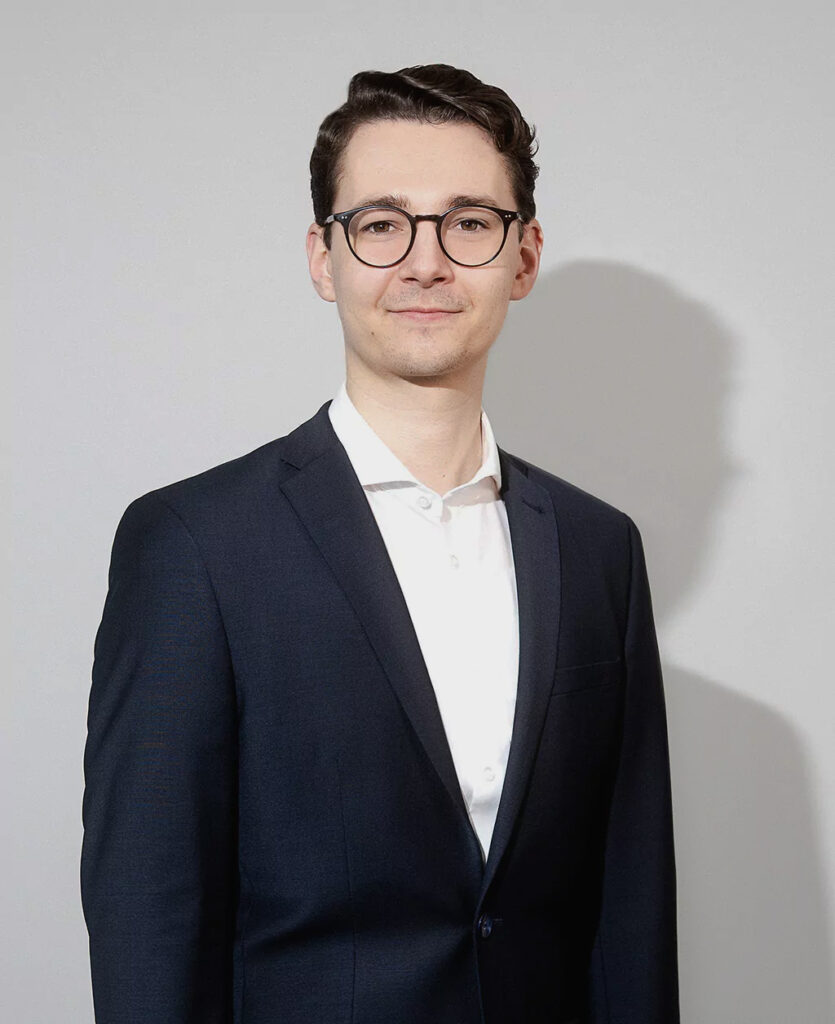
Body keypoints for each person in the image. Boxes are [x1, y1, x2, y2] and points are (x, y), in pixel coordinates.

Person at [80, 64, 680, 1024]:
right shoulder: (194, 544)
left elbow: (630, 904)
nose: (425, 263)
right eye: (381, 224)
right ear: (324, 259)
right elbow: (149, 913)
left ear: (524, 257)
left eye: (469, 223)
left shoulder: (599, 547)